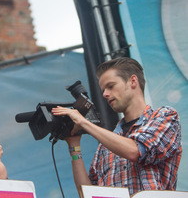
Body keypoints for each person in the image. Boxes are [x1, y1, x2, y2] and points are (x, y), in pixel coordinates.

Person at [52, 57, 182, 196]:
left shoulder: (166, 116)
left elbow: (136, 151)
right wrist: (74, 146)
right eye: (103, 89)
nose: (105, 94)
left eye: (111, 86)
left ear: (133, 81)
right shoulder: (105, 145)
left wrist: (83, 122)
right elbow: (88, 193)